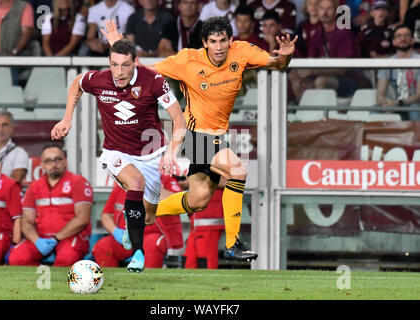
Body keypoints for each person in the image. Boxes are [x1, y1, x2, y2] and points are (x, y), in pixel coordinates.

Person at [101, 16, 296, 261]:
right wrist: (118, 44)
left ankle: (142, 216)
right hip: (195, 135)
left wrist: (286, 55)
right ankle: (233, 244)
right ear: (204, 42)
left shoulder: (242, 52)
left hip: (218, 136)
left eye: (223, 40)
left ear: (230, 40)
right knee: (237, 170)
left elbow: (278, 65)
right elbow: (144, 70)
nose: (218, 47)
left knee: (198, 200)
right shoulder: (187, 60)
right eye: (213, 41)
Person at [50, 36, 186, 272]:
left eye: (125, 65)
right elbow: (77, 83)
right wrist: (67, 117)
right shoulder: (98, 79)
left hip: (151, 153)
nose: (119, 72)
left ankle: (133, 220)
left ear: (136, 62)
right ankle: (137, 253)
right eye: (114, 64)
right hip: (115, 151)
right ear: (109, 62)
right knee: (136, 182)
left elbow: (179, 119)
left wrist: (172, 152)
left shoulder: (154, 81)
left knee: (149, 216)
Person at [8, 143, 93, 266]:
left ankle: (55, 282)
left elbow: (82, 219)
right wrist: (37, 241)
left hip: (70, 238)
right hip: (41, 238)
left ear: (65, 161)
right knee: (17, 258)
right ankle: (39, 282)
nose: (53, 164)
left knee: (66, 260)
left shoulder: (78, 182)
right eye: (48, 161)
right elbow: (26, 222)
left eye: (57, 159)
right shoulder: (34, 187)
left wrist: (56, 238)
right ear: (42, 165)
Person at [93, 181, 184, 268]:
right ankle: (113, 282)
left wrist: (151, 185)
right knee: (102, 246)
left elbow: (177, 201)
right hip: (125, 237)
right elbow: (106, 215)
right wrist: (115, 231)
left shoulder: (165, 179)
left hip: (149, 236)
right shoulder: (122, 184)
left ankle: (149, 280)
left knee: (153, 244)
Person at [288, 0, 365, 102]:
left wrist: (313, 71)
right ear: (317, 11)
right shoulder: (317, 35)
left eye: (329, 9)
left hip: (353, 80)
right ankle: (305, 113)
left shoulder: (343, 32)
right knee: (295, 77)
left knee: (321, 81)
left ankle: (323, 115)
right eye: (322, 8)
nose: (325, 12)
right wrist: (302, 73)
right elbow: (311, 63)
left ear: (336, 12)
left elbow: (343, 70)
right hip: (327, 76)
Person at [376, 24, 420, 121]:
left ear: (413, 40)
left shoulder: (418, 61)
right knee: (373, 110)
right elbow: (380, 93)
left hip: (414, 104)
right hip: (393, 103)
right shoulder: (388, 63)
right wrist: (384, 102)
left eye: (406, 35)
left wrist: (398, 103)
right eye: (398, 36)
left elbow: (419, 95)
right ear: (394, 42)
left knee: (414, 108)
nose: (402, 38)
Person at [183, 180, 225, 269]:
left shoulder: (223, 166)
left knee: (206, 262)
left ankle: (210, 282)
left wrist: (197, 180)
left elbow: (228, 181)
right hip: (196, 222)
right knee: (189, 262)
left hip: (209, 223)